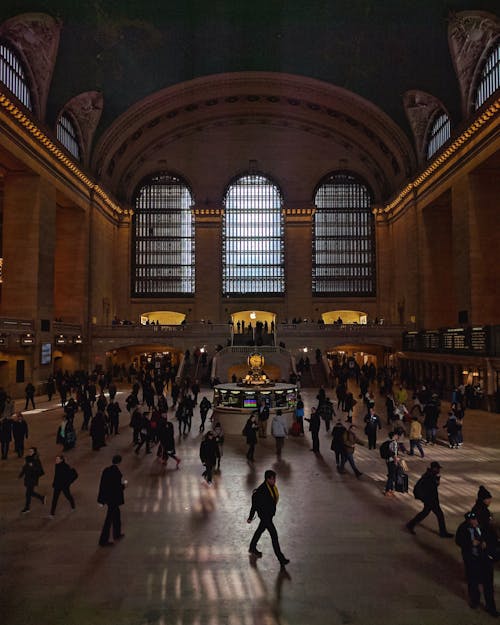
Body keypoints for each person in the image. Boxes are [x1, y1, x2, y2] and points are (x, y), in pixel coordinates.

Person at [455, 511, 498, 616]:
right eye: (471, 520)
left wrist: (486, 544)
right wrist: (470, 543)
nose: (473, 522)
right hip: (472, 559)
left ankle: (490, 606)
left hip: (485, 559)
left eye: (475, 520)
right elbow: (459, 541)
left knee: (488, 584)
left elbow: (494, 540)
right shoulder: (464, 528)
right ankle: (475, 600)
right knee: (473, 581)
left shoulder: (486, 527)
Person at [247, 469, 289, 568]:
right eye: (273, 479)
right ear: (268, 479)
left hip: (268, 515)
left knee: (260, 530)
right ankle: (281, 559)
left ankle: (252, 547)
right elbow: (254, 506)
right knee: (274, 536)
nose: (275, 481)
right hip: (266, 517)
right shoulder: (261, 491)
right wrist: (250, 517)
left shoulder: (271, 487)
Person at [406, 461, 453, 537]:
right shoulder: (429, 476)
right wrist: (436, 481)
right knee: (439, 515)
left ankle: (410, 524)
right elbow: (430, 488)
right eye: (438, 468)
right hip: (431, 499)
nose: (439, 470)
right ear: (434, 468)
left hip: (430, 499)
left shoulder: (431, 475)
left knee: (425, 513)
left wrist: (437, 480)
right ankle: (443, 532)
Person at [97, 454, 126, 546]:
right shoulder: (116, 473)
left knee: (116, 515)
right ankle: (103, 540)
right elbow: (117, 487)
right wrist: (124, 485)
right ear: (119, 462)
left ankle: (117, 533)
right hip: (113, 499)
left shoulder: (107, 470)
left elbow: (103, 485)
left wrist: (101, 499)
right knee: (109, 519)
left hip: (108, 498)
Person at [19, 448, 46, 513]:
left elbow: (39, 470)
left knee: (28, 493)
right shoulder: (28, 458)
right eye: (29, 451)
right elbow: (25, 467)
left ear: (34, 452)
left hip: (33, 479)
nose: (30, 452)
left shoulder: (36, 460)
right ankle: (42, 497)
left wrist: (32, 466)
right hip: (28, 478)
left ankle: (27, 507)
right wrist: (21, 474)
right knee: (31, 492)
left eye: (31, 451)